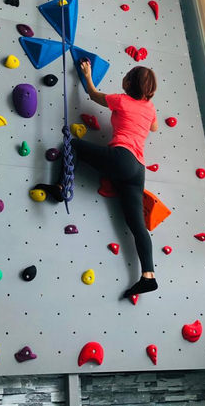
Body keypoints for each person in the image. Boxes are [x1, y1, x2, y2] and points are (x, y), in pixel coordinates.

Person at [39, 60, 159, 298]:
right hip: (138, 169)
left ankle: (61, 186)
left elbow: (93, 95)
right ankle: (149, 276)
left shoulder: (121, 100)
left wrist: (87, 74)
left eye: (127, 76)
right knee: (137, 225)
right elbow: (154, 128)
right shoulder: (150, 107)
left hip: (122, 157)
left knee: (73, 144)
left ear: (129, 83)